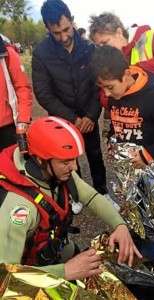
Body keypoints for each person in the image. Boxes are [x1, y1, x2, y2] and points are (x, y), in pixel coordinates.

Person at [0, 116, 142, 281]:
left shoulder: (54, 170)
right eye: (66, 161)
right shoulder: (18, 209)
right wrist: (65, 272)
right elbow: (6, 276)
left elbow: (91, 197)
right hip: (32, 274)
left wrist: (120, 225)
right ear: (40, 160)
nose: (74, 167)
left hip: (55, 250)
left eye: (75, 159)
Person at [89, 45, 154, 259]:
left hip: (151, 174)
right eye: (102, 89)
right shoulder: (116, 95)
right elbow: (117, 123)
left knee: (151, 223)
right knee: (132, 214)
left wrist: (148, 155)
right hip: (128, 173)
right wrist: (111, 139)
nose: (106, 94)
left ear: (126, 75)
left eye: (109, 87)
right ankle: (139, 251)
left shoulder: (152, 97)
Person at [32, 0, 119, 212]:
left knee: (95, 154)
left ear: (72, 20)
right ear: (47, 28)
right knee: (66, 159)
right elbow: (43, 93)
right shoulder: (41, 54)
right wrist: (72, 119)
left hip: (89, 115)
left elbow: (97, 84)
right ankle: (74, 194)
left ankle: (102, 191)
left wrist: (91, 115)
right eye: (56, 33)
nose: (63, 37)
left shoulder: (90, 48)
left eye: (66, 29)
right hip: (62, 118)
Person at [89, 11, 154, 106]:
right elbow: (105, 96)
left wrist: (133, 73)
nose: (102, 49)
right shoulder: (107, 59)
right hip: (139, 113)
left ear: (119, 32)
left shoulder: (151, 37)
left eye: (105, 42)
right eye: (98, 46)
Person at [0, 35, 32, 151]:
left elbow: (23, 87)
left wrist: (23, 119)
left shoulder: (7, 53)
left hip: (6, 129)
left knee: (8, 167)